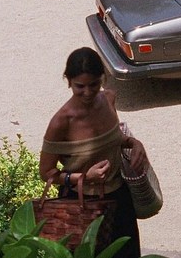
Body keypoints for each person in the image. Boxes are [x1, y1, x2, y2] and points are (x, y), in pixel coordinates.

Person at [40, 47, 148, 257]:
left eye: (94, 84)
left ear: (103, 79)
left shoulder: (108, 100)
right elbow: (46, 173)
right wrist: (84, 177)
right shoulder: (61, 122)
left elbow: (115, 139)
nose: (88, 92)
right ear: (68, 81)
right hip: (81, 206)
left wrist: (134, 144)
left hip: (119, 200)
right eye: (80, 86)